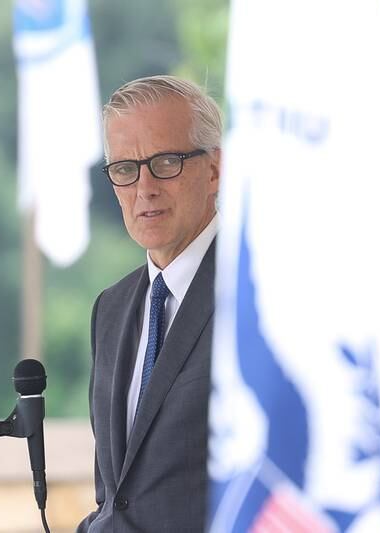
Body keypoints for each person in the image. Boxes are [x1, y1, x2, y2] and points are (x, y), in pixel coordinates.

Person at [77, 75, 222, 532]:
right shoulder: (112, 309)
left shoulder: (257, 295)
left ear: (216, 169)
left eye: (165, 162)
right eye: (124, 169)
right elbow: (116, 500)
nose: (145, 188)